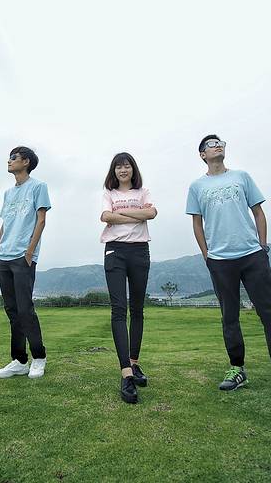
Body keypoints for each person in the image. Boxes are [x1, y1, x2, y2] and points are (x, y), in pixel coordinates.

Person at [186, 134, 271, 394]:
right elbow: (197, 223)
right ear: (202, 155)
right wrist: (207, 255)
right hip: (220, 260)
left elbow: (258, 212)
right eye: (211, 145)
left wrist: (262, 246)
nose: (217, 146)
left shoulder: (241, 177)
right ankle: (237, 370)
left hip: (252, 255)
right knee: (229, 317)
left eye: (220, 143)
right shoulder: (197, 186)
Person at [101, 152, 157, 403]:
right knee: (118, 310)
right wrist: (138, 213)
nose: (123, 170)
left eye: (126, 166)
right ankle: (126, 374)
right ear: (113, 171)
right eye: (118, 167)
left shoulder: (143, 191)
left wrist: (121, 216)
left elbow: (152, 213)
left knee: (137, 309)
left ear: (133, 169)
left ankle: (134, 363)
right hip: (115, 251)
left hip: (139, 251)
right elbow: (106, 217)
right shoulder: (109, 193)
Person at [0, 147, 51, 380]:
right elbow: (5, 223)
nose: (9, 161)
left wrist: (29, 252)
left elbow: (41, 220)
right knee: (12, 310)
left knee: (25, 309)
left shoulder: (38, 187)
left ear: (26, 162)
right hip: (4, 256)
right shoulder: (8, 193)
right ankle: (19, 361)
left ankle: (39, 357)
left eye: (13, 157)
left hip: (22, 256)